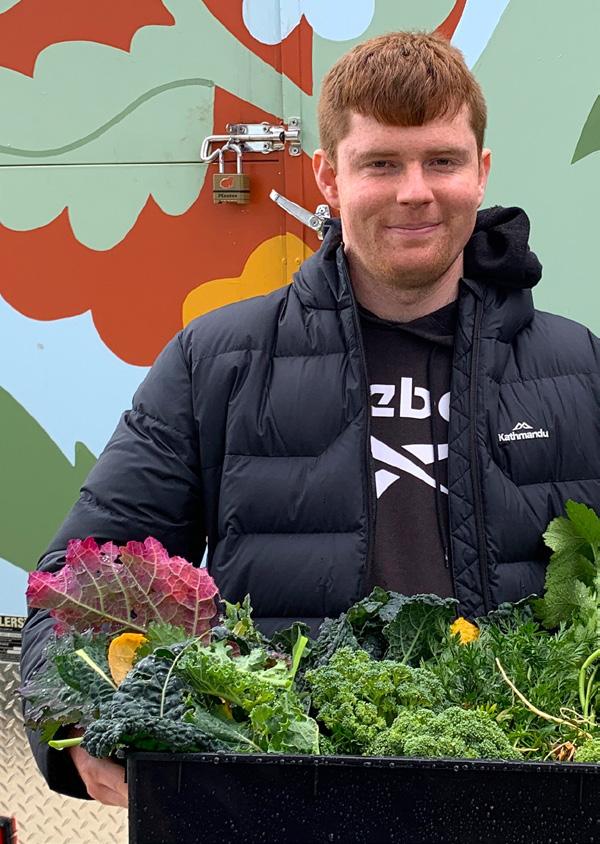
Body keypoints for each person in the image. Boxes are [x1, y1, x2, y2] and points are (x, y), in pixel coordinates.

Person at [20, 31, 600, 808]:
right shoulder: (218, 362)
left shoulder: (578, 367)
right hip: (280, 796)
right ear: (329, 176)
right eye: (381, 163)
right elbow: (82, 579)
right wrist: (81, 716)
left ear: (482, 170)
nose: (415, 192)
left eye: (442, 161)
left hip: (519, 792)